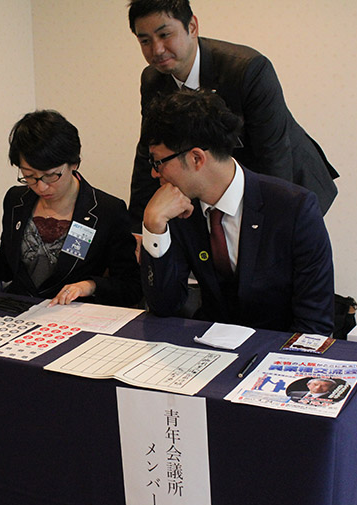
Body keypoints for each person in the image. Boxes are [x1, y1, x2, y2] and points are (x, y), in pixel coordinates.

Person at [126, 0, 339, 236]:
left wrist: (270, 227)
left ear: (192, 27)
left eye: (165, 35)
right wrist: (137, 227)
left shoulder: (248, 69)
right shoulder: (152, 80)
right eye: (145, 41)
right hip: (217, 188)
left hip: (285, 179)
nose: (157, 49)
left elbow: (273, 154)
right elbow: (149, 152)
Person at [139, 90, 334, 334]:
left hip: (275, 345)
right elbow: (164, 306)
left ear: (197, 158)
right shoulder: (176, 206)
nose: (154, 173)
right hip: (207, 346)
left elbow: (314, 325)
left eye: (158, 162)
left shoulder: (294, 208)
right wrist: (154, 226)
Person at [0, 110, 142, 308]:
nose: (41, 187)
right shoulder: (17, 200)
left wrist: (89, 286)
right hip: (20, 312)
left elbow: (130, 286)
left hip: (72, 317)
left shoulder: (106, 210)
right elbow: (8, 265)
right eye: (29, 176)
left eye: (51, 175)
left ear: (74, 163)